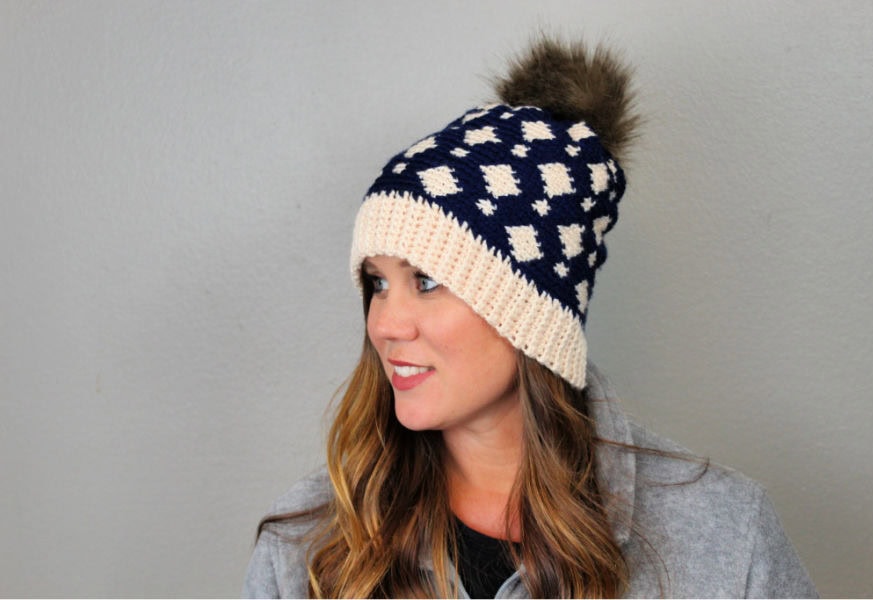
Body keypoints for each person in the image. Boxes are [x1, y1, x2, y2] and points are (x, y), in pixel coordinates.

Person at [243, 38, 817, 598]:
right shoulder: (307, 548)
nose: (386, 324)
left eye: (427, 280)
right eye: (377, 284)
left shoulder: (723, 538)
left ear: (531, 310)